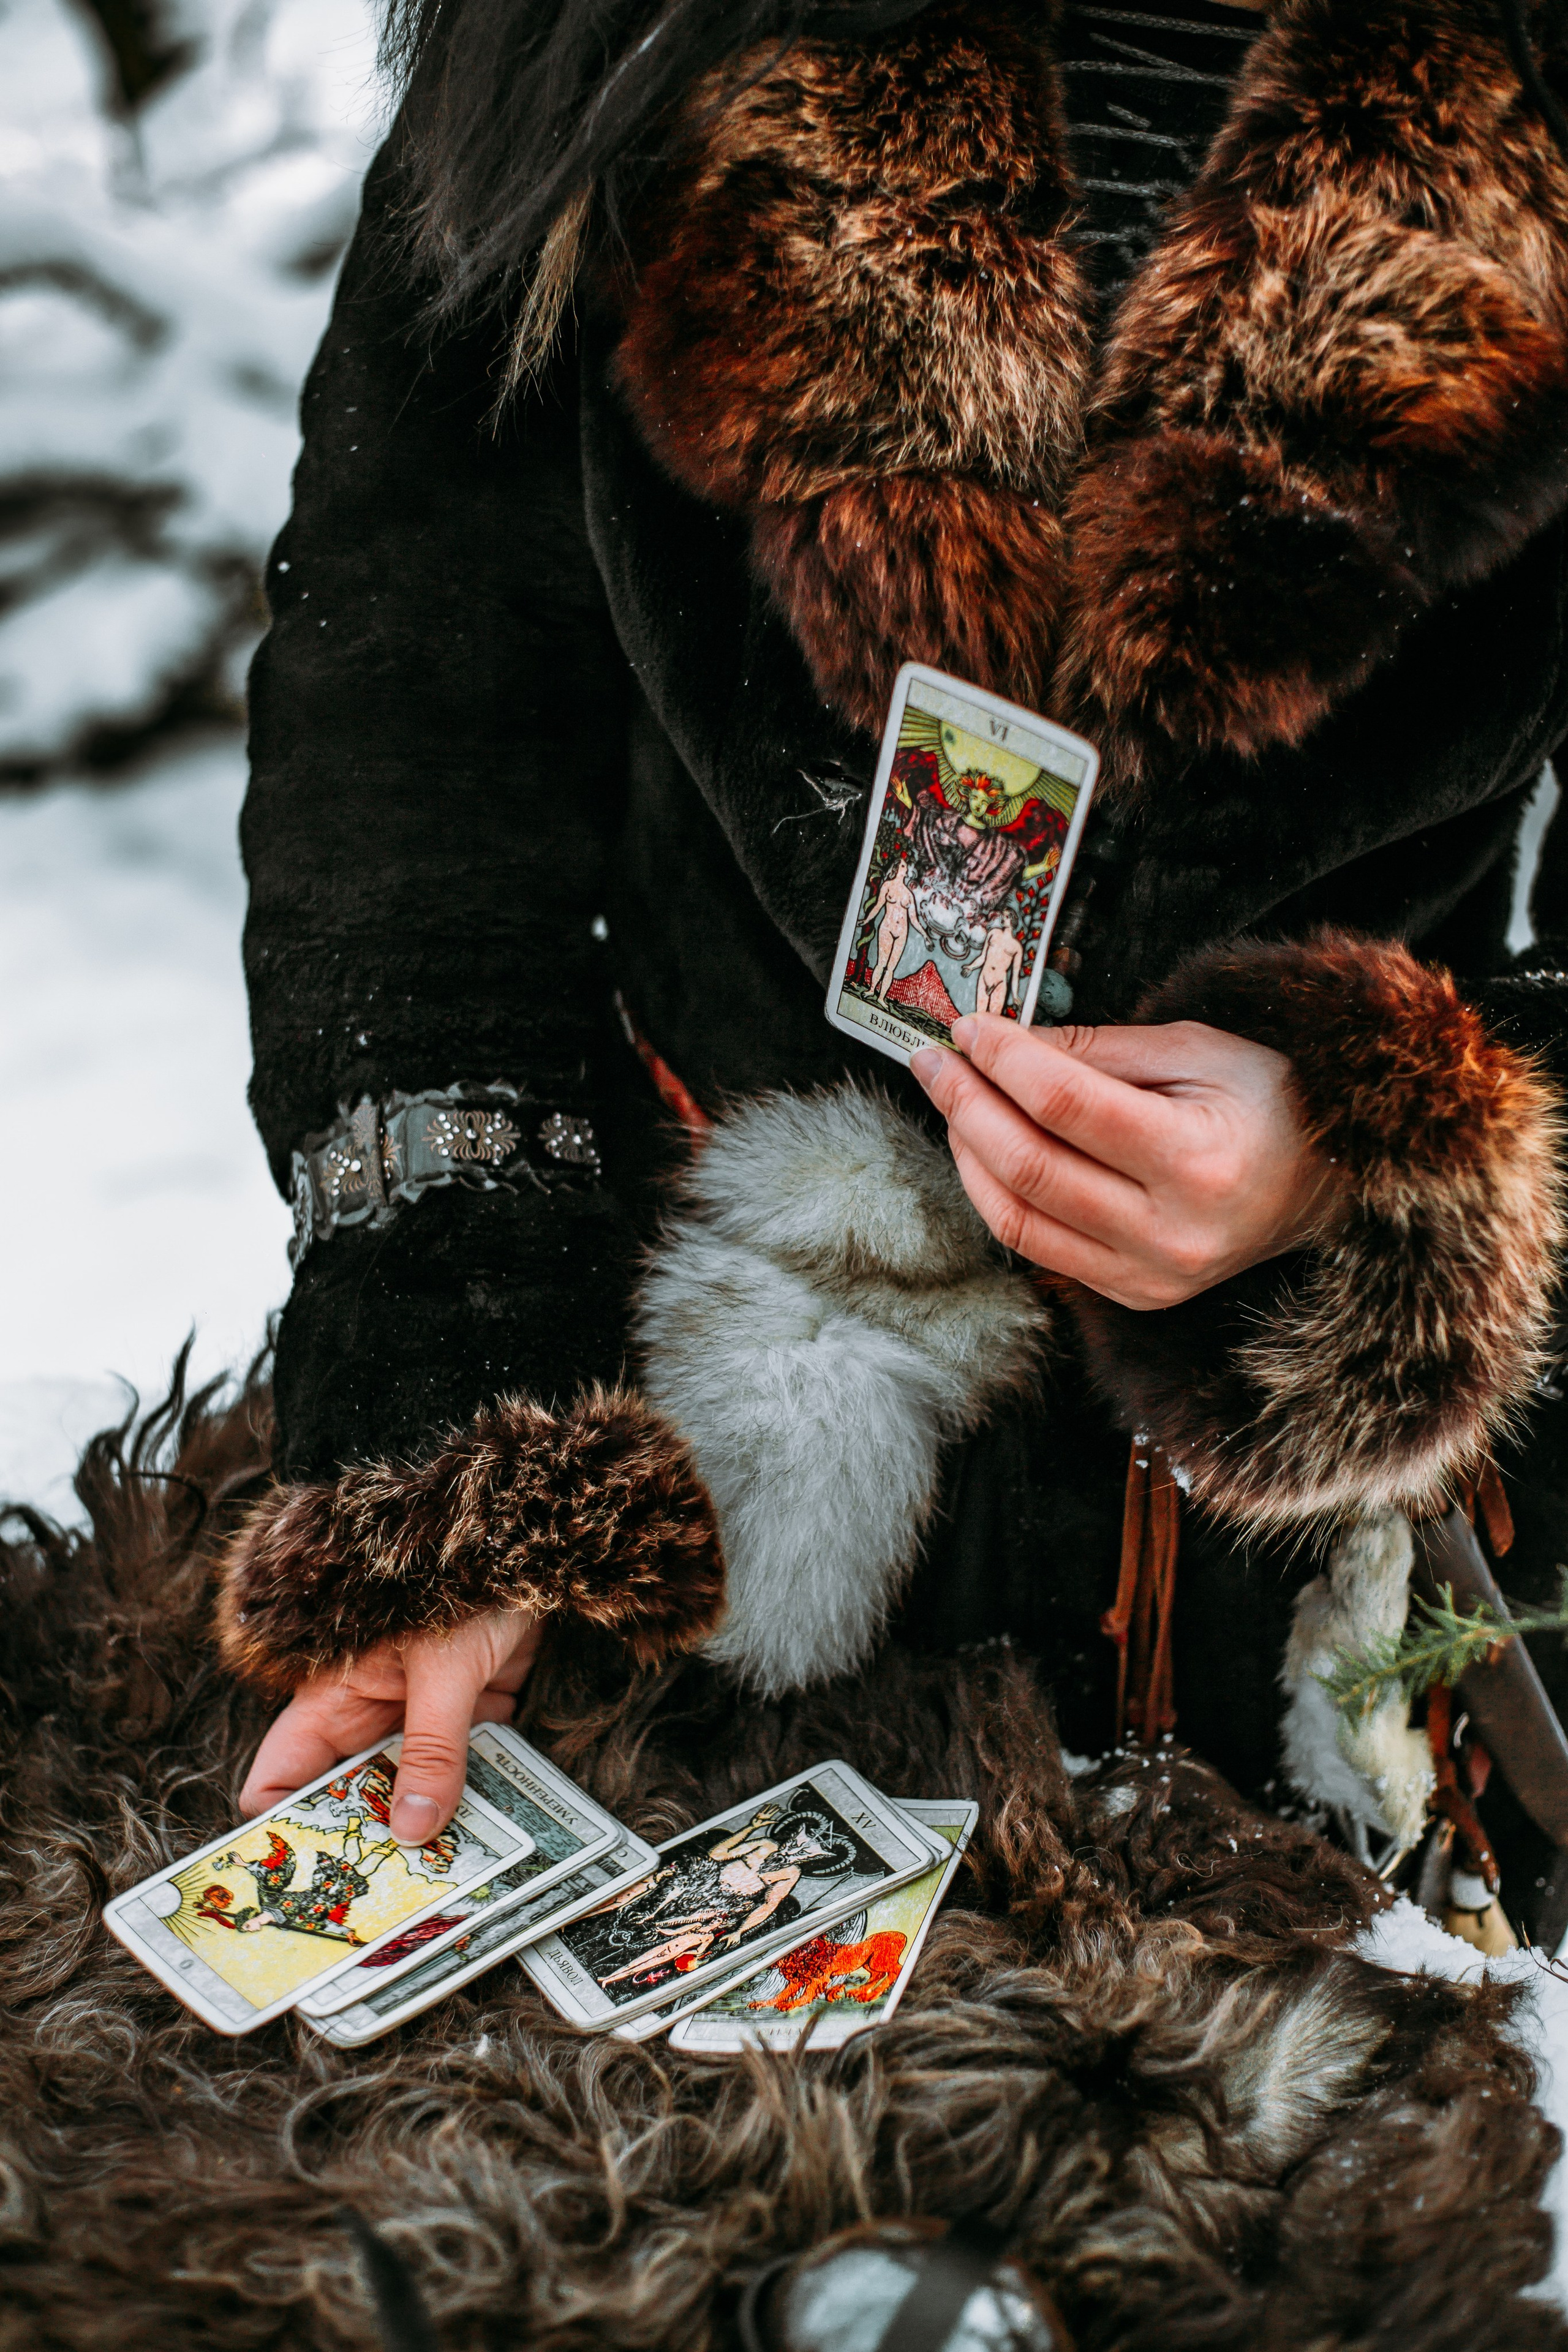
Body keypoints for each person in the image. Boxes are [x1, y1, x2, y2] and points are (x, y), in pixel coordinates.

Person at [220, 0, 1568, 1940]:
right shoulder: (592, 33)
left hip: (1337, 1606)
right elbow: (416, 730)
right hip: (654, 1520)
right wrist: (454, 1428)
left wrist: (1390, 1158)